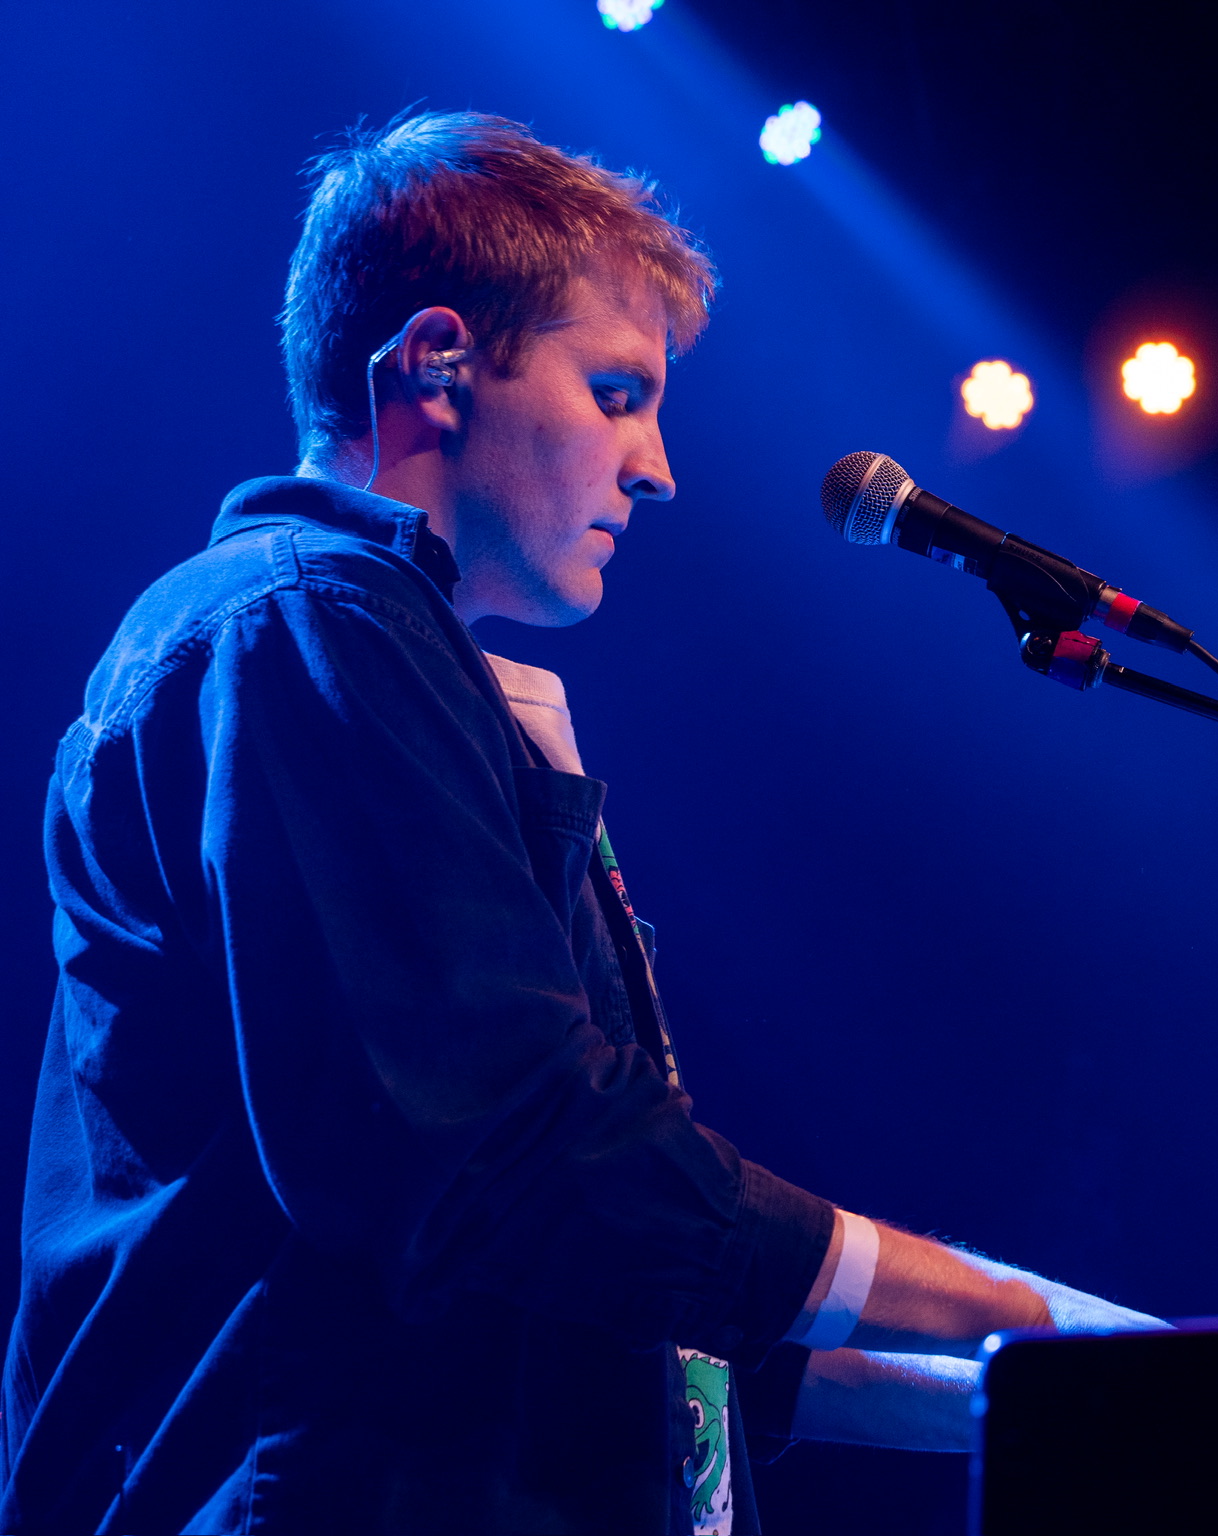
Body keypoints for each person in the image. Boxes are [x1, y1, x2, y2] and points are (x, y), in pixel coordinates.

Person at [0, 112, 1157, 1536]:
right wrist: (1035, 1314)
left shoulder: (384, 654)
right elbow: (522, 1156)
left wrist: (1059, 1390)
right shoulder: (305, 627)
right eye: (618, 392)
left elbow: (602, 1279)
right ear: (435, 367)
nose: (657, 466)